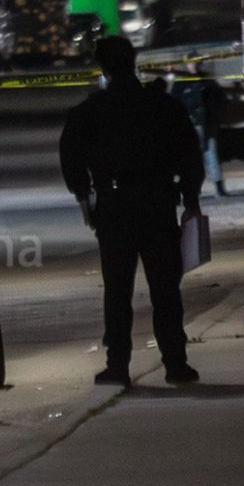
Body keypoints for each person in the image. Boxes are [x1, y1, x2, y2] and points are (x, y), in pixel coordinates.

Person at [60, 36, 205, 387]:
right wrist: (190, 200)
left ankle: (118, 365)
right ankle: (175, 362)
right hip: (157, 203)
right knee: (166, 288)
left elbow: (71, 157)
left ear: (103, 68)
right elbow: (189, 155)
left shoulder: (90, 111)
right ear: (134, 61)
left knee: (117, 291)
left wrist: (85, 198)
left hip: (114, 207)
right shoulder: (162, 106)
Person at [169, 51, 228, 196]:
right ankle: (192, 188)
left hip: (206, 123)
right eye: (191, 62)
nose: (194, 64)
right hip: (190, 125)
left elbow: (219, 98)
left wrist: (214, 115)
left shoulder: (206, 80)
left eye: (196, 61)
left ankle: (218, 187)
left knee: (211, 155)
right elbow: (174, 103)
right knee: (191, 159)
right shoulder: (181, 82)